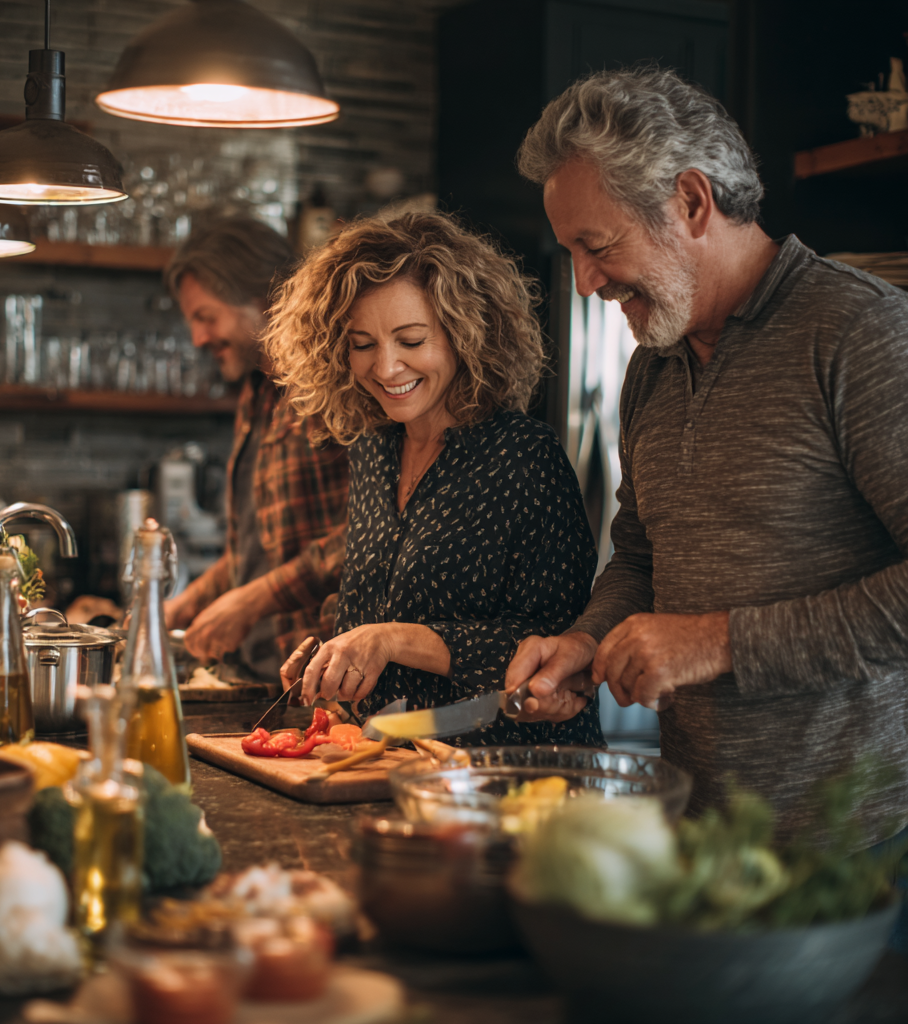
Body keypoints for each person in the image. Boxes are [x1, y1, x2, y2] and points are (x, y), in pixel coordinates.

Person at [505, 68, 908, 853]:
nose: (585, 283)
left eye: (597, 246)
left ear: (692, 201)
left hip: (862, 850)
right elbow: (642, 554)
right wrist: (588, 641)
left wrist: (717, 642)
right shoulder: (653, 363)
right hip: (701, 833)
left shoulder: (861, 334)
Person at [266, 213, 602, 746]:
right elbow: (377, 618)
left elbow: (558, 653)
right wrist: (335, 656)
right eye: (362, 344)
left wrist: (390, 640)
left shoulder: (523, 457)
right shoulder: (375, 450)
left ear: (466, 334)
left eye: (411, 340)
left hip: (508, 777)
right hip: (395, 766)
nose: (386, 367)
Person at [162, 216, 349, 680]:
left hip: (321, 672)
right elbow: (259, 547)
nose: (198, 338)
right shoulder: (258, 391)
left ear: (260, 299)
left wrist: (255, 599)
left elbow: (367, 535)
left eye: (206, 317)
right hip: (260, 667)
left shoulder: (332, 383)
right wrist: (189, 601)